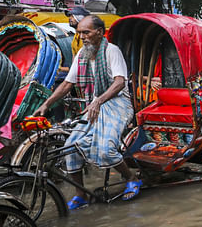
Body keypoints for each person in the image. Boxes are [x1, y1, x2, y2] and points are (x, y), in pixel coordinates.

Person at [33, 15, 139, 208]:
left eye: (86, 32)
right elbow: (67, 83)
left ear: (99, 32)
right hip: (94, 105)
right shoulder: (82, 54)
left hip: (117, 103)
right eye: (80, 32)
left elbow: (119, 82)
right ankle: (81, 194)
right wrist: (47, 104)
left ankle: (131, 178)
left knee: (106, 148)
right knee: (70, 147)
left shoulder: (111, 51)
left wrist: (98, 100)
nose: (82, 36)